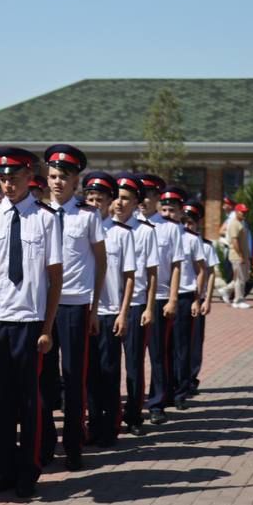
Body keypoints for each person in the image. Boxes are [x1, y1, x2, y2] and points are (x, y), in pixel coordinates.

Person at [0, 147, 62, 499]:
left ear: (29, 177)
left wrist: (46, 327)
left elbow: (55, 277)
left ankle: (29, 471)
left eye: (13, 177)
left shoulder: (45, 219)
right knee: (0, 402)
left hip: (27, 321)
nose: (7, 184)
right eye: (2, 178)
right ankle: (4, 470)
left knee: (29, 402)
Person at [42, 144, 106, 471]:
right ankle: (44, 442)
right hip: (41, 308)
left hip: (75, 306)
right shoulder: (36, 213)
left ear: (75, 180)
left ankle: (73, 444)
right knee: (44, 380)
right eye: (52, 176)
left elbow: (101, 264)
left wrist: (94, 309)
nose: (56, 182)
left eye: (63, 177)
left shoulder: (87, 216)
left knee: (74, 377)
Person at [82, 171, 135, 448]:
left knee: (109, 371)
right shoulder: (79, 227)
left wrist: (123, 313)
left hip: (109, 312)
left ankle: (111, 424)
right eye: (89, 198)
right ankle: (93, 424)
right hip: (84, 310)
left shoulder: (121, 234)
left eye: (99, 199)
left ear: (110, 201)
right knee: (89, 374)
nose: (94, 203)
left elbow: (129, 278)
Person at [114, 173, 158, 437]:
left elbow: (152, 273)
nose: (119, 203)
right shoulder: (103, 228)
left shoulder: (144, 232)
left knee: (133, 363)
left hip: (136, 304)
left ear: (136, 202)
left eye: (125, 199)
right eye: (117, 197)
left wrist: (150, 307)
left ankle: (133, 416)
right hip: (109, 304)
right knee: (106, 365)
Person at [138, 174, 184, 425]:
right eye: (139, 195)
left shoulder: (169, 228)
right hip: (133, 299)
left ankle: (157, 402)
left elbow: (176, 265)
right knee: (133, 356)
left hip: (160, 296)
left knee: (157, 353)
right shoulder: (128, 224)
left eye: (148, 195)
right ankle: (133, 401)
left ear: (157, 197)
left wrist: (173, 298)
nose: (143, 200)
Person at [166, 189, 204, 409]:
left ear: (180, 212)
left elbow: (201, 271)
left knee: (182, 347)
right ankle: (166, 389)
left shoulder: (189, 239)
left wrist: (197, 299)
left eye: (172, 210)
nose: (168, 214)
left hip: (184, 297)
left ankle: (181, 391)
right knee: (165, 348)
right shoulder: (159, 233)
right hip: (163, 297)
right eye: (165, 209)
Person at [184, 202, 218, 393]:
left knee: (195, 341)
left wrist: (207, 300)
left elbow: (211, 273)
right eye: (185, 222)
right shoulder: (179, 239)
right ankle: (179, 378)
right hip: (181, 295)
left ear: (198, 223)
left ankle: (191, 377)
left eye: (191, 223)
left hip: (198, 297)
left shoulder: (205, 245)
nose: (188, 226)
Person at [225, 203, 252, 309]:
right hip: (237, 255)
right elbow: (234, 241)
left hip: (242, 255)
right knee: (240, 278)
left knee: (240, 278)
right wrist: (241, 255)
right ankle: (238, 300)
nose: (244, 213)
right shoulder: (234, 224)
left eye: (245, 211)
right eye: (242, 211)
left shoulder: (241, 223)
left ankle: (226, 290)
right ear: (236, 212)